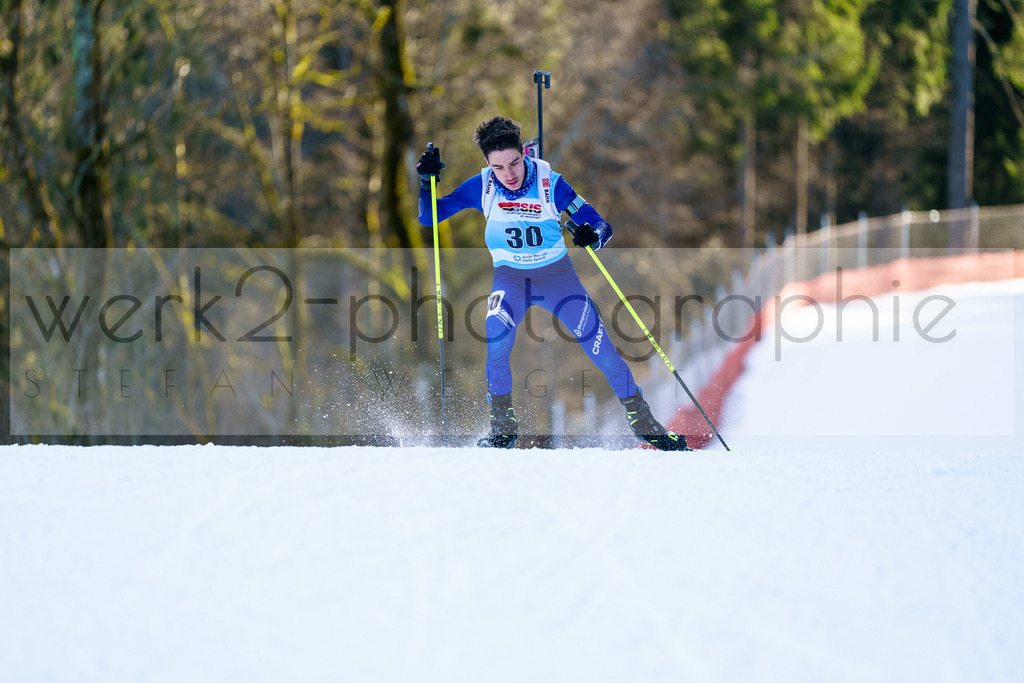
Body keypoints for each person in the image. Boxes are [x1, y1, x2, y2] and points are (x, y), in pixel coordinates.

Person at [416, 115, 689, 451]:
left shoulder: (549, 182)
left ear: (524, 154)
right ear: (488, 164)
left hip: (557, 278)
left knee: (599, 347)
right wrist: (426, 181)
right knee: (495, 332)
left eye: (515, 163)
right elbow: (430, 216)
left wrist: (593, 234)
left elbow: (597, 223)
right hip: (511, 279)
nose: (510, 174)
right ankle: (503, 428)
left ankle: (644, 422)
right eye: (499, 167)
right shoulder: (482, 185)